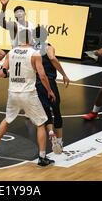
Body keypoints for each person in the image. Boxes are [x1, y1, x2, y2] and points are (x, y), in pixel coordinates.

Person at [0, 29, 56, 167]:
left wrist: (8, 73)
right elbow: (42, 76)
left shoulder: (11, 53)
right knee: (41, 123)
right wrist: (49, 90)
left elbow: (1, 73)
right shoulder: (34, 54)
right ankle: (42, 157)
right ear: (30, 39)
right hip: (28, 93)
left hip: (13, 92)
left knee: (7, 119)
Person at [33, 25, 70, 154]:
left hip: (36, 83)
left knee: (45, 112)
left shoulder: (31, 49)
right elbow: (52, 58)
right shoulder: (48, 47)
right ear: (46, 36)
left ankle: (50, 132)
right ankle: (59, 142)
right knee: (56, 110)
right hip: (49, 82)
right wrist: (64, 74)